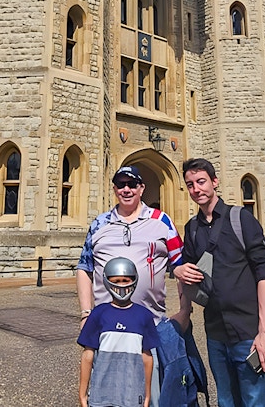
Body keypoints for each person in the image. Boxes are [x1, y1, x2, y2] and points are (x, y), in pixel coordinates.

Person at [76, 165, 191, 406]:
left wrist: (185, 311)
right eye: (120, 184)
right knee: (107, 392)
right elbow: (85, 268)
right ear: (114, 188)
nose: (126, 189)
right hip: (107, 326)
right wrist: (86, 313)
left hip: (151, 324)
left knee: (152, 394)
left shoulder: (162, 221)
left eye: (132, 184)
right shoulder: (99, 224)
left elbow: (180, 266)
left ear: (142, 188)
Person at [174, 158, 265, 407]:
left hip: (247, 331)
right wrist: (179, 272)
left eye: (201, 182)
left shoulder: (241, 219)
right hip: (216, 332)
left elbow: (264, 273)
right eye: (190, 184)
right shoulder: (192, 228)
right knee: (226, 400)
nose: (196, 189)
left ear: (214, 181)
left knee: (255, 400)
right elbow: (187, 269)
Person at [78, 257, 159, 407]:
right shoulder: (98, 314)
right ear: (107, 281)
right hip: (101, 394)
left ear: (134, 280)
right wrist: (82, 394)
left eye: (125, 280)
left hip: (132, 393)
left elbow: (147, 358)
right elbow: (87, 356)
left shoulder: (144, 315)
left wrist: (147, 395)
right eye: (116, 281)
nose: (121, 286)